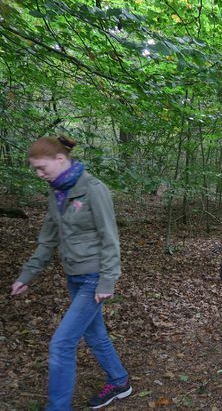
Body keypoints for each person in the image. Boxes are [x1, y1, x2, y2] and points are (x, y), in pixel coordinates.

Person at [10, 136, 131, 410]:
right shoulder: (56, 192)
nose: (40, 174)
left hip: (93, 277)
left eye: (42, 168)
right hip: (73, 276)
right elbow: (48, 240)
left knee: (61, 345)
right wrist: (26, 276)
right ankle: (120, 380)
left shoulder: (94, 189)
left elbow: (110, 238)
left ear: (60, 160)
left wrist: (108, 280)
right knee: (94, 334)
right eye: (36, 170)